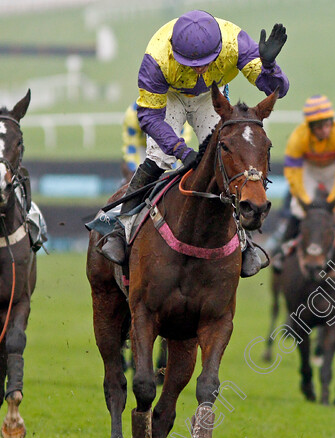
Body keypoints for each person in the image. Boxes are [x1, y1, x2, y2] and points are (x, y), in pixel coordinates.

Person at [98, 10, 289, 277]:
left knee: (224, 158)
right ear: (174, 51)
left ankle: (245, 244)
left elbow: (276, 89)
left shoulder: (237, 44)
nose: (199, 68)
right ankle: (121, 229)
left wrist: (269, 67)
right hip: (171, 96)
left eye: (205, 62)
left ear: (219, 50)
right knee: (159, 158)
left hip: (209, 97)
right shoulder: (156, 58)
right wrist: (180, 150)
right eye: (190, 63)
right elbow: (149, 117)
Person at [270, 94, 335, 277]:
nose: (325, 130)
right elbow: (293, 173)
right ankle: (281, 253)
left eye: (327, 125)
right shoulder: (298, 138)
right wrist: (303, 199)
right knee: (297, 210)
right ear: (310, 127)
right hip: (310, 170)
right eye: (319, 127)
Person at [121, 101, 192, 176]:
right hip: (144, 148)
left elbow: (180, 145)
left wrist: (169, 173)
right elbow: (132, 146)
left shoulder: (179, 113)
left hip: (170, 146)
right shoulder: (132, 114)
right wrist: (135, 171)